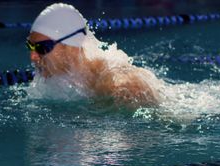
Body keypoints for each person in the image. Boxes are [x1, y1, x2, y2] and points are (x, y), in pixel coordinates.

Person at [26, 3, 162, 110]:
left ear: (71, 47)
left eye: (42, 48)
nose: (33, 57)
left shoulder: (119, 87)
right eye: (30, 46)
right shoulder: (60, 84)